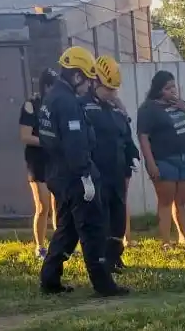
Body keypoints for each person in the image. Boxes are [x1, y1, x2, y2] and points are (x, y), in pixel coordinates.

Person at [38, 46, 128, 297]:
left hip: (58, 173)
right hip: (75, 176)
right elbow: (75, 143)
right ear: (77, 75)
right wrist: (85, 175)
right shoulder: (67, 103)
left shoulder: (52, 97)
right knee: (92, 229)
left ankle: (50, 278)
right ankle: (103, 283)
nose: (90, 84)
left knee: (67, 230)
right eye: (88, 79)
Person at [81, 54, 140, 273]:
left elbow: (125, 134)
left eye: (115, 89)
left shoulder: (116, 108)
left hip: (117, 171)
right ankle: (100, 259)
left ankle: (115, 256)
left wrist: (132, 154)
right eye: (108, 89)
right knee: (100, 217)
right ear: (95, 82)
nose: (112, 93)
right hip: (96, 172)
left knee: (118, 215)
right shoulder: (83, 106)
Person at [136, 70, 185, 248]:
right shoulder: (148, 109)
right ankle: (166, 241)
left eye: (174, 86)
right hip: (164, 159)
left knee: (181, 202)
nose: (172, 90)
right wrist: (151, 163)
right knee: (165, 202)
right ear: (158, 90)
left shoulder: (181, 104)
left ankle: (183, 238)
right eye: (167, 88)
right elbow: (143, 138)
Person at [19, 68, 59, 258]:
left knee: (58, 204)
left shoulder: (58, 105)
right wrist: (48, 141)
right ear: (46, 86)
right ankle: (40, 246)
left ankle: (60, 244)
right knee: (43, 205)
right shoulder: (31, 104)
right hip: (37, 160)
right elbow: (25, 136)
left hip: (55, 160)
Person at [110, 92, 139, 271]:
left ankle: (116, 253)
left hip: (121, 165)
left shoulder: (119, 114)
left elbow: (127, 137)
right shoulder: (92, 110)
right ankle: (104, 256)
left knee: (120, 207)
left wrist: (133, 156)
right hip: (103, 169)